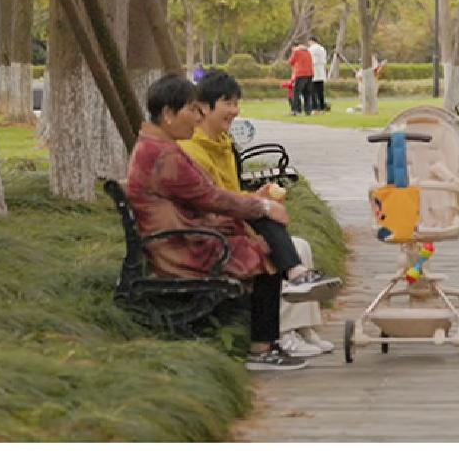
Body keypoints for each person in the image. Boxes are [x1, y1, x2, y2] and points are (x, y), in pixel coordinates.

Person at [125, 74, 311, 371]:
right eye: (191, 110)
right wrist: (262, 206)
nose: (197, 118)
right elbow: (211, 197)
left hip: (179, 238)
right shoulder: (165, 156)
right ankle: (262, 348)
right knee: (265, 253)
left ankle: (281, 320)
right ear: (169, 114)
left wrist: (256, 207)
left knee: (262, 236)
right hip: (181, 248)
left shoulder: (156, 146)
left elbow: (208, 196)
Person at [180, 73, 342, 356]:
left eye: (237, 103)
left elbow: (231, 194)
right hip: (214, 229)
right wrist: (258, 204)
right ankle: (282, 331)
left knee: (299, 246)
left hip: (233, 219)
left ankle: (300, 328)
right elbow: (215, 200)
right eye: (228, 103)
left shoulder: (222, 142)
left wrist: (256, 197)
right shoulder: (192, 150)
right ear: (204, 107)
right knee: (277, 248)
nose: (235, 110)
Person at [287, 41, 316, 116]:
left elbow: (291, 62)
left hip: (301, 74)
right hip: (309, 74)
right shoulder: (308, 52)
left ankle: (295, 110)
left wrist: (293, 53)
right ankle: (308, 110)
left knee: (296, 93)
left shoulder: (296, 52)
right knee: (307, 93)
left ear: (294, 47)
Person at [305, 36, 333, 112]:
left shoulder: (311, 49)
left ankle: (314, 107)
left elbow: (309, 59)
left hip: (314, 71)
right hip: (321, 72)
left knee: (313, 91)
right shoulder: (322, 48)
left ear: (311, 41)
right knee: (320, 91)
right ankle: (322, 107)